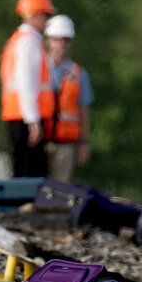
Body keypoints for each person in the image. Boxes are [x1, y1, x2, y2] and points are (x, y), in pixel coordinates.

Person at [0, 0, 56, 177]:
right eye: (45, 15)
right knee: (31, 170)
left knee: (23, 168)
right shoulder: (28, 42)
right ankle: (27, 206)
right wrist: (33, 120)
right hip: (26, 116)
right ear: (34, 14)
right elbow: (27, 83)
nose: (46, 21)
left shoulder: (18, 40)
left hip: (18, 114)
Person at [43, 14, 94, 182]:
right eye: (58, 39)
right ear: (49, 39)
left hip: (65, 145)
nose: (62, 43)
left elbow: (83, 111)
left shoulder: (79, 74)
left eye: (66, 39)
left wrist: (83, 143)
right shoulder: (39, 68)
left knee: (59, 189)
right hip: (40, 140)